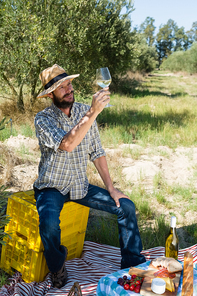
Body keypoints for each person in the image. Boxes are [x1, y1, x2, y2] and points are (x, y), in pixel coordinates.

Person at [33, 64, 146, 289]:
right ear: (50, 94)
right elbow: (67, 144)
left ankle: (133, 264)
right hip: (51, 187)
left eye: (69, 83)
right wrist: (93, 112)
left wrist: (112, 189)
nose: (68, 89)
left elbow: (97, 152)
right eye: (61, 87)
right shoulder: (43, 119)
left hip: (79, 186)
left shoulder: (84, 111)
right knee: (48, 224)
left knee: (126, 206)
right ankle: (56, 267)